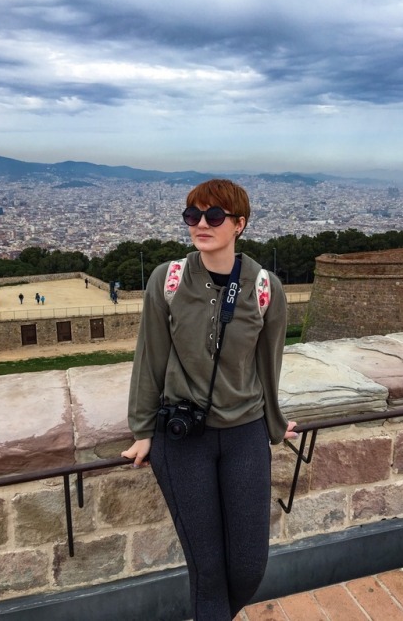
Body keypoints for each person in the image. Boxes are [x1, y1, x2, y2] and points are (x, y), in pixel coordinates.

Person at [122, 179, 297, 620]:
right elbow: (150, 358)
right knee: (208, 571)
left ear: (239, 224)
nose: (201, 224)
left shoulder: (264, 287)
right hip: (184, 438)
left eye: (214, 216)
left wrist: (274, 425)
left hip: (244, 434)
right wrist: (143, 431)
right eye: (192, 216)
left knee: (249, 566)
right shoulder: (169, 280)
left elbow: (268, 366)